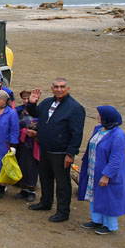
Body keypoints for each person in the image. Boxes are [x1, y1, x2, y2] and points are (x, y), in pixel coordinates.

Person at [25, 78, 86, 223]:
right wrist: (32, 103)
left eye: (62, 87)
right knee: (45, 178)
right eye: (56, 87)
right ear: (52, 89)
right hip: (45, 148)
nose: (59, 89)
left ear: (68, 88)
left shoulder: (75, 108)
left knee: (62, 182)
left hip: (61, 152)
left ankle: (63, 211)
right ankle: (45, 202)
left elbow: (76, 133)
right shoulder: (47, 102)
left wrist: (71, 153)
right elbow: (36, 114)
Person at [77, 106, 125, 235]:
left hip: (108, 173)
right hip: (94, 169)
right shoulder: (99, 129)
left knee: (108, 198)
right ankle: (97, 220)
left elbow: (116, 159)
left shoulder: (118, 135)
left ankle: (109, 225)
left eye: (100, 115)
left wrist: (107, 175)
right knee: (95, 195)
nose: (98, 116)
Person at [14, 90, 40, 201]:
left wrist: (36, 133)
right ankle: (23, 189)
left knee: (32, 167)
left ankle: (31, 190)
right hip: (21, 143)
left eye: (27, 99)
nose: (25, 101)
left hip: (34, 143)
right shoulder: (18, 112)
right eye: (24, 99)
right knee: (21, 165)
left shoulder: (39, 112)